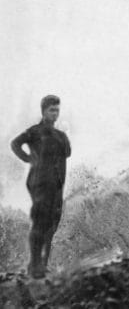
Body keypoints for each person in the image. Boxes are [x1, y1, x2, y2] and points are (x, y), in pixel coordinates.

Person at [10, 94, 71, 278]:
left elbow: (67, 152)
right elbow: (15, 144)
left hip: (57, 184)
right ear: (43, 111)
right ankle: (34, 265)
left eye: (57, 110)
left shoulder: (60, 135)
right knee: (40, 220)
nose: (55, 114)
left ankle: (43, 264)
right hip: (40, 182)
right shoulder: (35, 131)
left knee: (53, 222)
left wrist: (64, 134)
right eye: (52, 110)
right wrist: (29, 158)